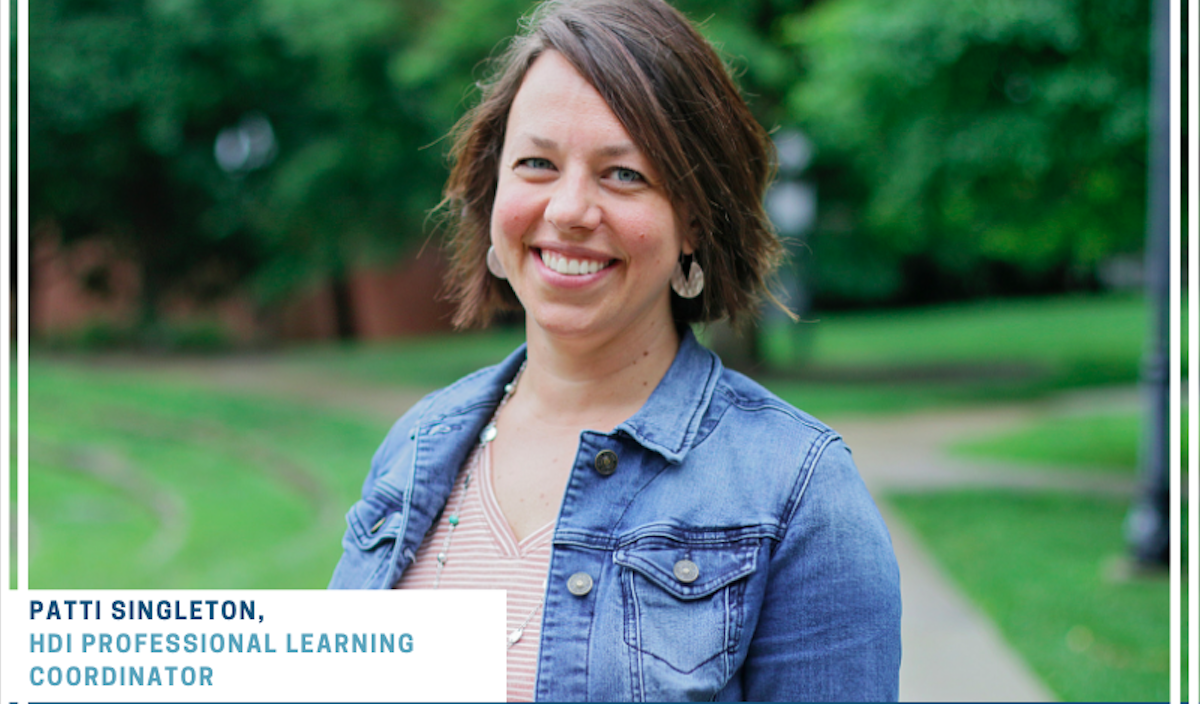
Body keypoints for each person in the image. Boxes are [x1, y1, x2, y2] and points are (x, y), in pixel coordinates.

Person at [329, 0, 902, 700]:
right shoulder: (416, 446)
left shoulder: (800, 494)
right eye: (537, 163)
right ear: (494, 189)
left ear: (693, 219)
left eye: (623, 173)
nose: (569, 210)